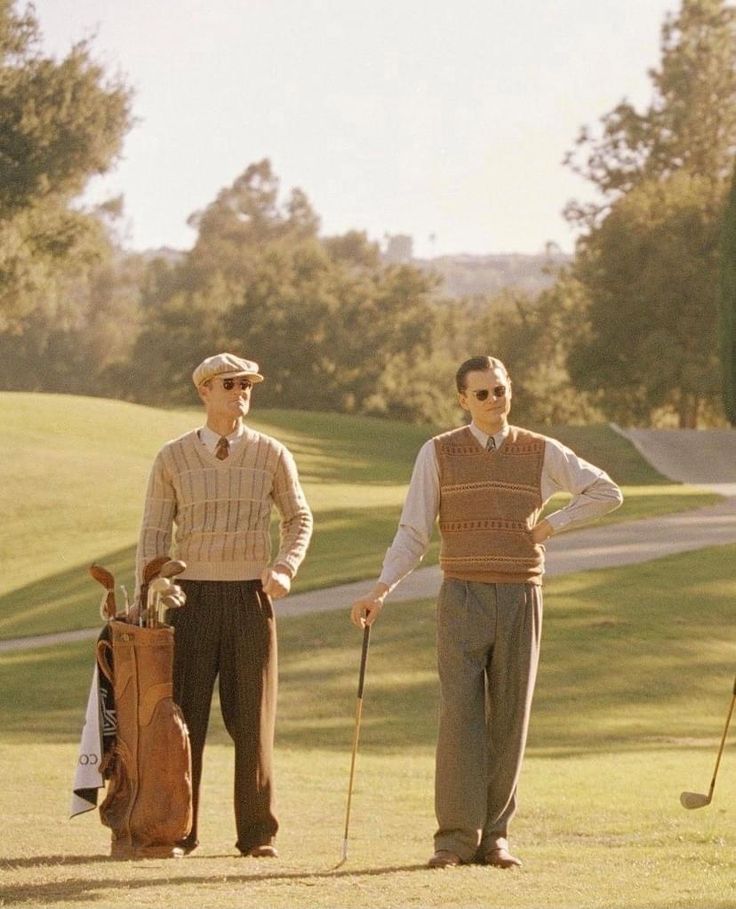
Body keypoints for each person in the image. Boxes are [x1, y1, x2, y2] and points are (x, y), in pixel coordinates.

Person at [350, 355, 623, 870]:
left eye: (501, 390)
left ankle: (495, 837)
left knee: (510, 717)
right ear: (463, 401)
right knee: (460, 718)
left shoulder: (541, 450)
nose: (495, 401)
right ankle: (453, 839)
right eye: (483, 394)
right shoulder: (438, 452)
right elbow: (413, 532)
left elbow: (607, 492)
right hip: (462, 596)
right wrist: (381, 588)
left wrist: (553, 525)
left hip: (521, 594)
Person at [135, 352, 313, 858]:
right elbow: (153, 532)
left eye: (247, 385)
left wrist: (284, 567)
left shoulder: (271, 453)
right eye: (229, 384)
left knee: (252, 721)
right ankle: (178, 831)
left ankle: (257, 836)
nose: (241, 392)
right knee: (184, 722)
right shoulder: (172, 456)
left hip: (249, 597)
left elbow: (298, 518)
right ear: (204, 391)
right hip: (189, 601)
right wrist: (152, 591)